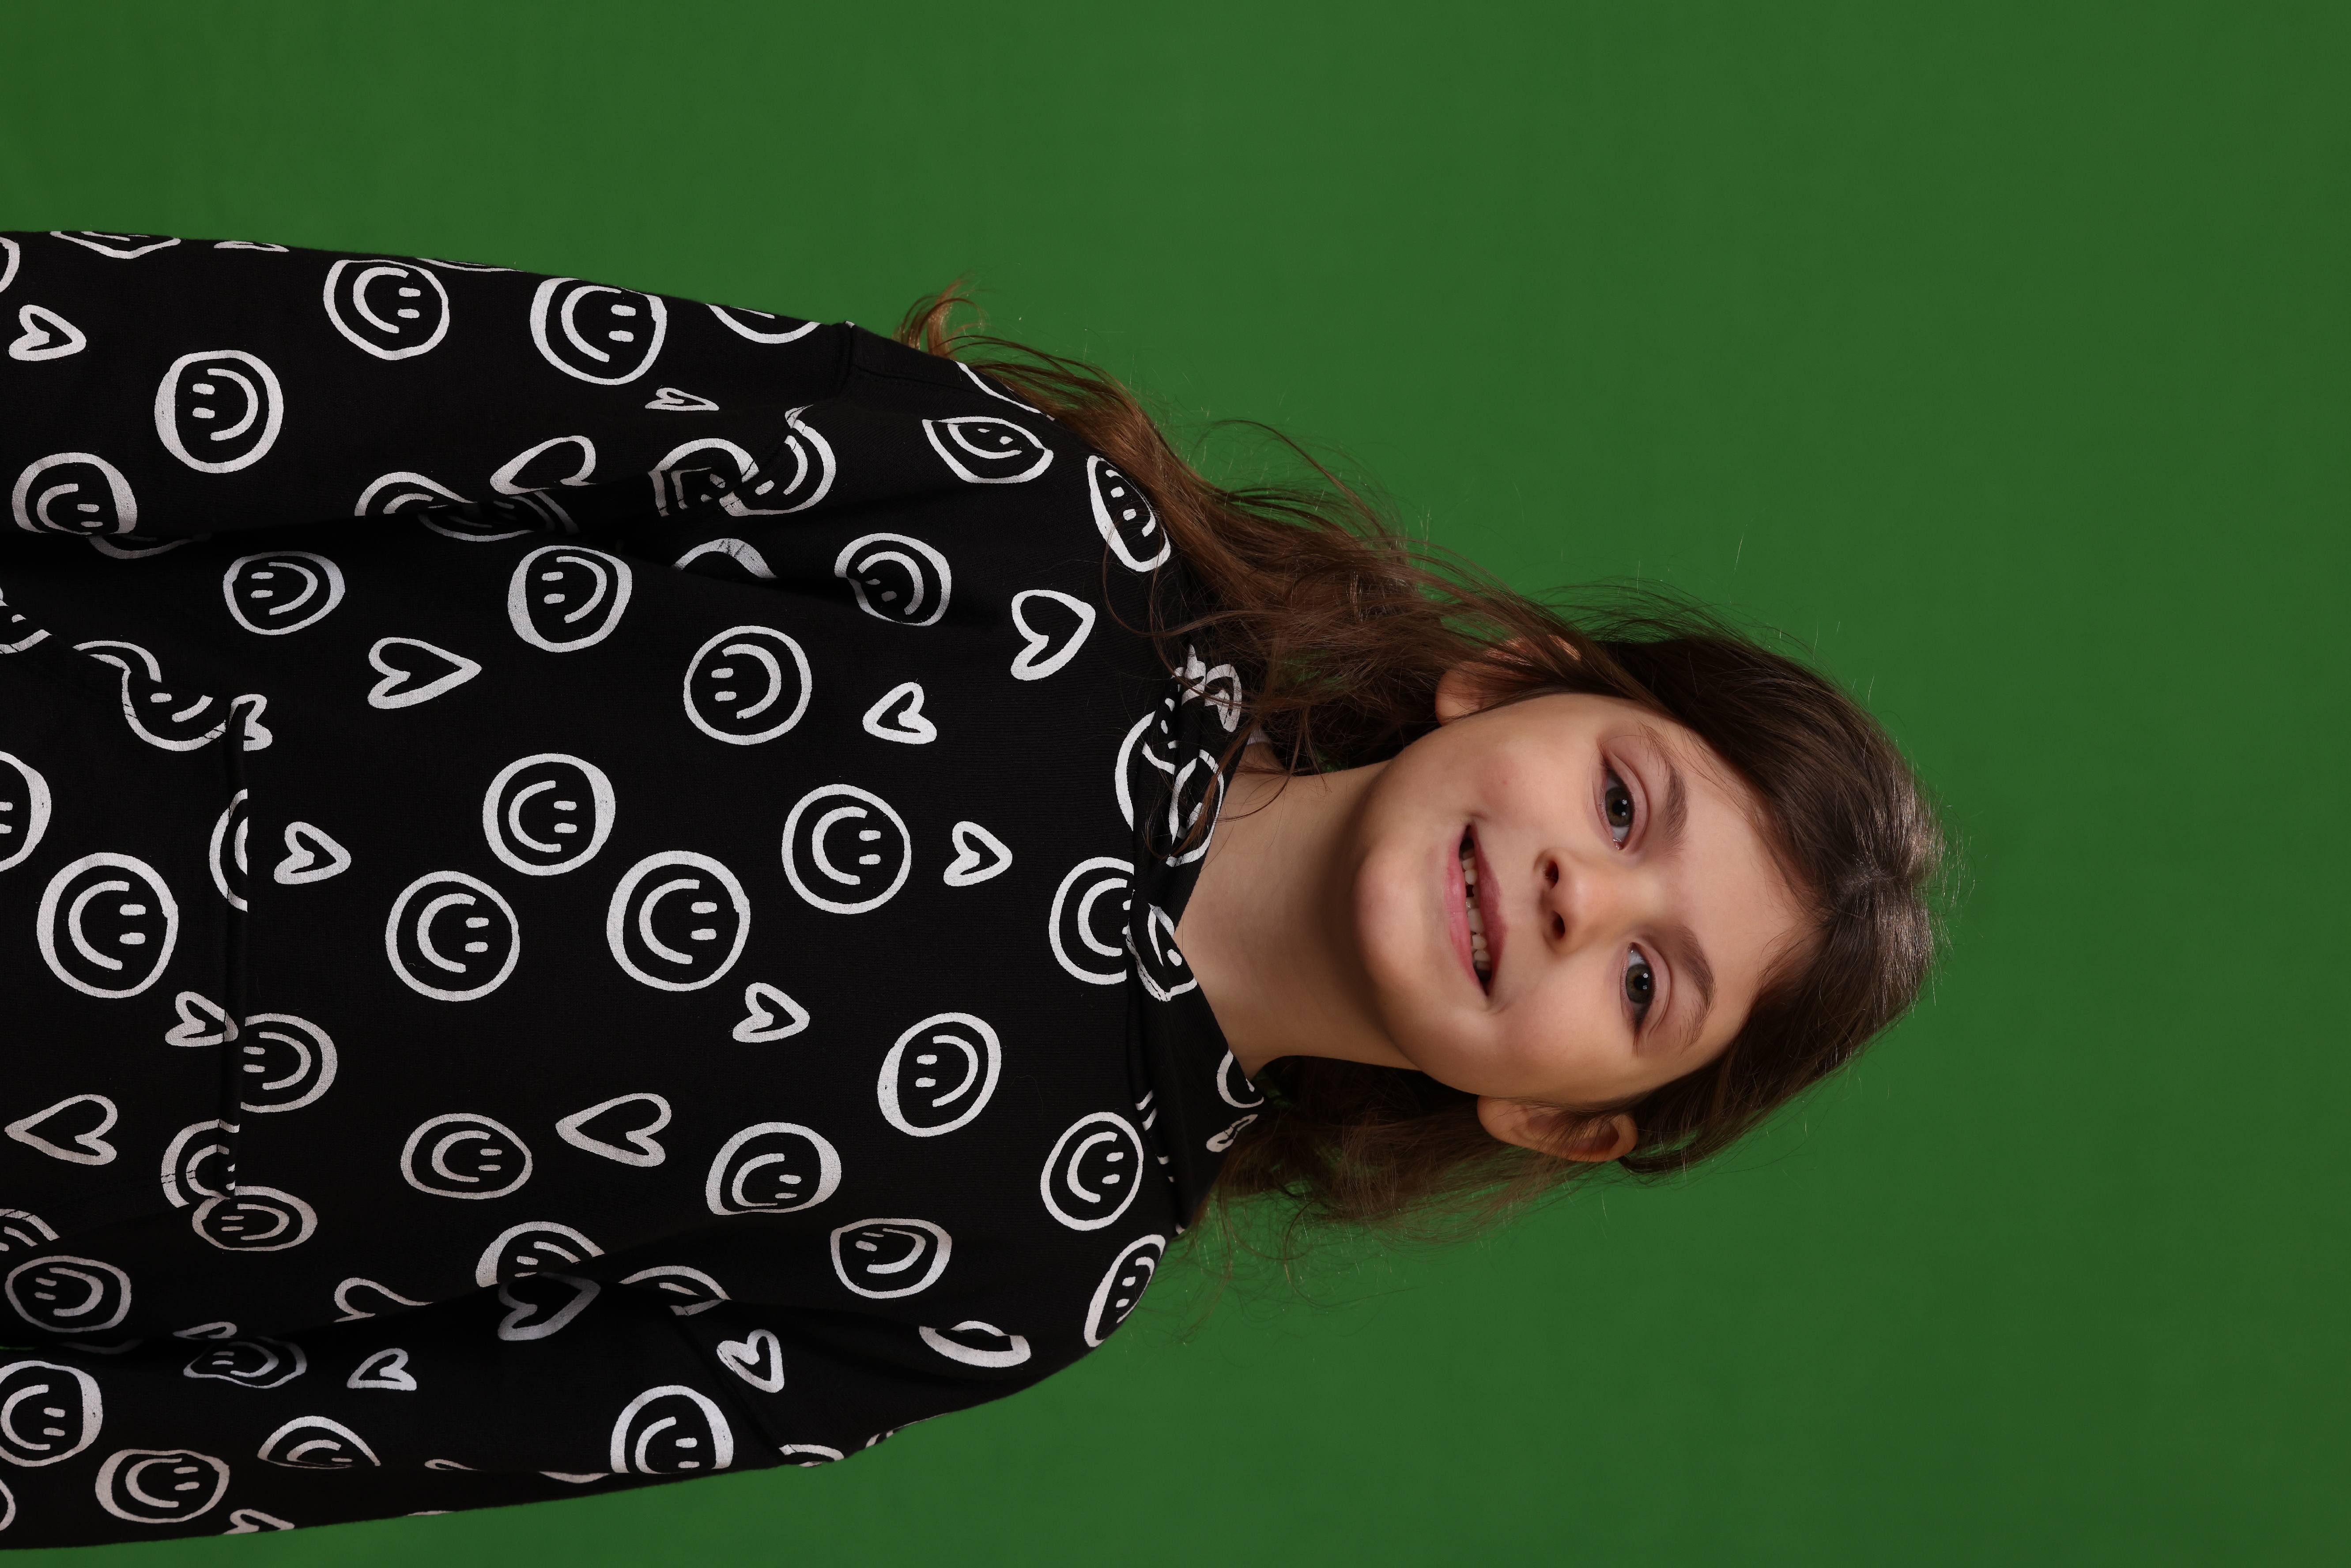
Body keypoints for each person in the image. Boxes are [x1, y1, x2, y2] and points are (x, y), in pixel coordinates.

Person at [0, 231, 1941, 1545]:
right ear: (1511, 682)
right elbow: (387, 387)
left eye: (1648, 984)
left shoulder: (1024, 1275)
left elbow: (394, 1418)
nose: (1583, 897)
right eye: (1624, 801)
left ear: (1556, 1117)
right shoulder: (1033, 540)